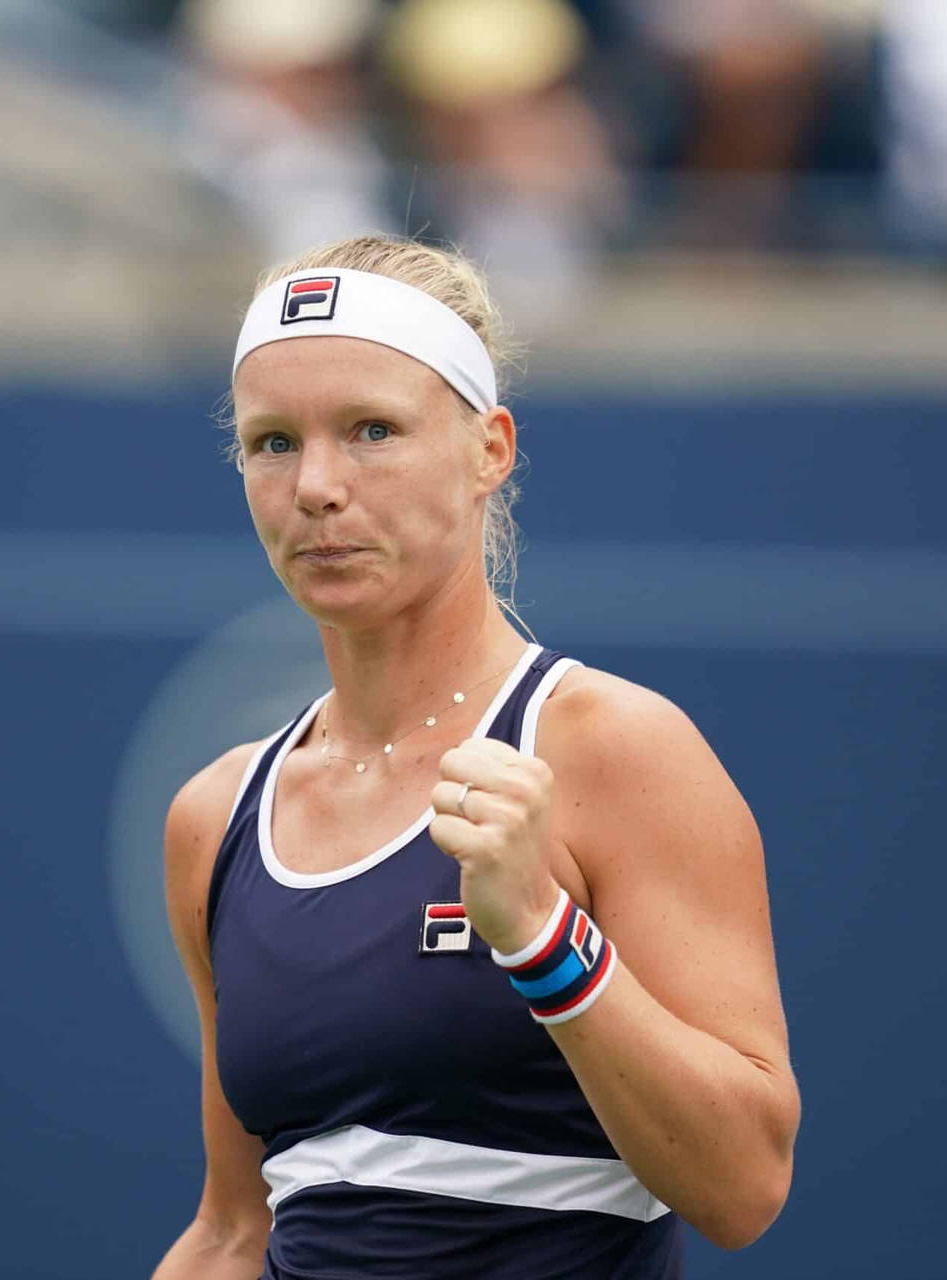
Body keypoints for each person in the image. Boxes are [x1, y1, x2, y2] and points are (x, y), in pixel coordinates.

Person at [151, 233, 799, 1279]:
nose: (317, 484)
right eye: (274, 441)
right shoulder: (215, 815)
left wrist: (544, 937)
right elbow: (236, 1228)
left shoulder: (613, 747)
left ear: (488, 447)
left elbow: (744, 1183)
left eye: (371, 430)